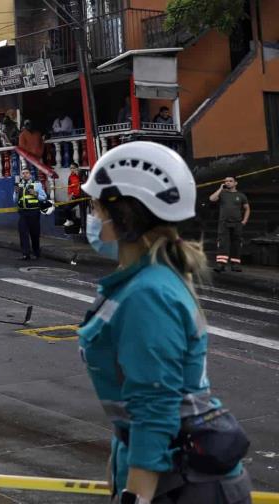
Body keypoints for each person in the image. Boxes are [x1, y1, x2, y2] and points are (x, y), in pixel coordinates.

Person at [79, 142, 252, 504]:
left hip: (181, 485)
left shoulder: (148, 294)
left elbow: (155, 411)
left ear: (123, 216)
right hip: (170, 473)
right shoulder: (141, 281)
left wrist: (135, 497)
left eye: (95, 207)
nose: (91, 217)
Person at [209, 176, 250, 272]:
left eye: (230, 181)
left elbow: (247, 208)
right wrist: (220, 189)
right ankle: (221, 264)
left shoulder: (241, 195)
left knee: (236, 243)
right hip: (224, 223)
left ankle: (235, 264)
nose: (227, 183)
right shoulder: (222, 193)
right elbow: (212, 199)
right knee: (222, 243)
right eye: (226, 181)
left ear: (235, 183)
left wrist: (244, 220)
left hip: (237, 223)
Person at [14, 168, 47, 260]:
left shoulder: (36, 184)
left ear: (30, 175)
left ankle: (36, 253)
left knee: (34, 234)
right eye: (23, 173)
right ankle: (25, 254)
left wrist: (35, 193)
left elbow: (44, 197)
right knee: (23, 232)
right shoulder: (19, 185)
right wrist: (16, 193)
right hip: (23, 213)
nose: (24, 175)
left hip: (34, 212)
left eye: (26, 173)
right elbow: (14, 200)